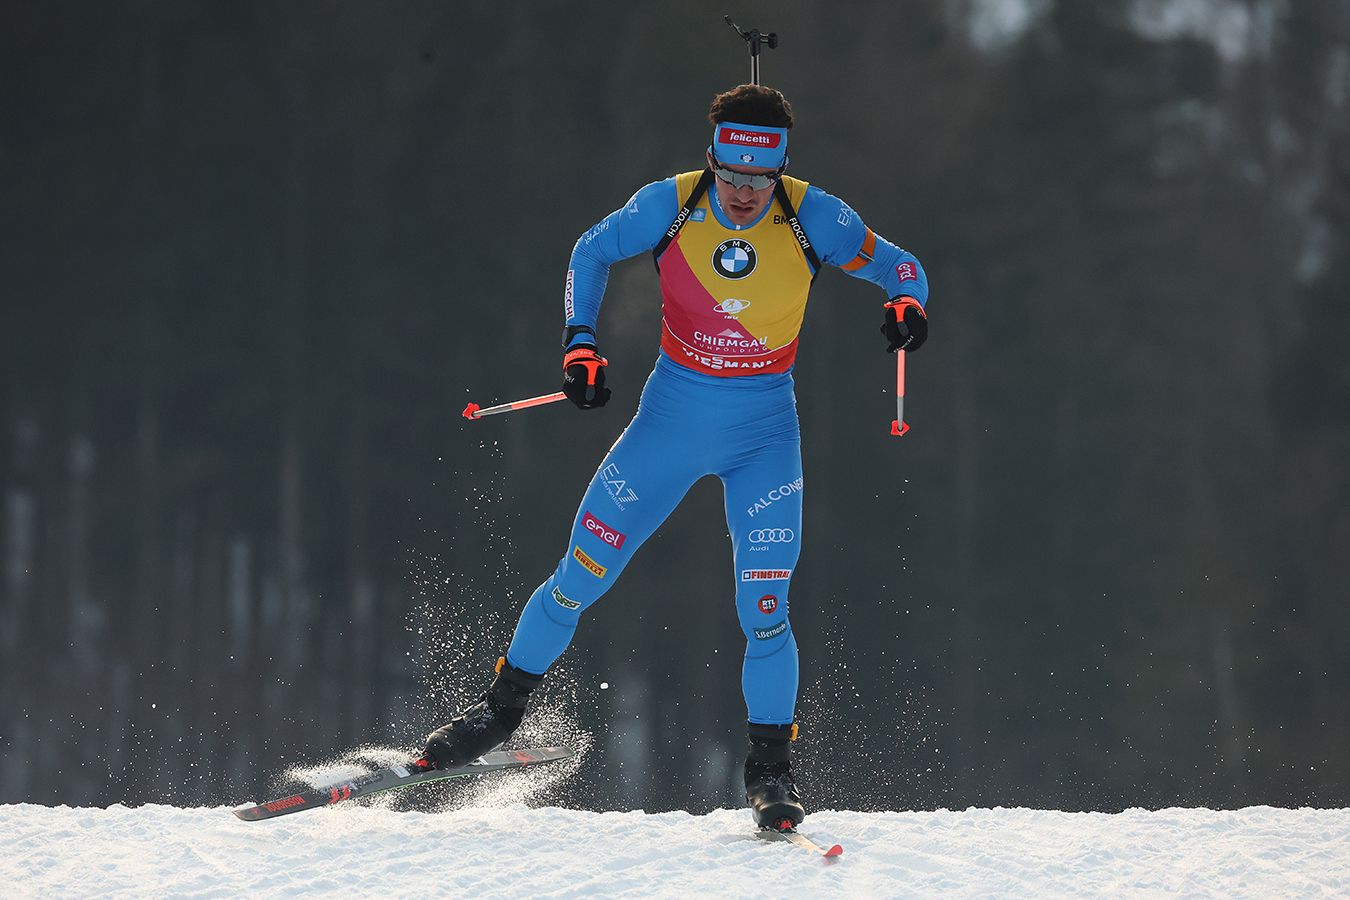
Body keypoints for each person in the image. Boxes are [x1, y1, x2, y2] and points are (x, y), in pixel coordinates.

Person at [417, 84, 929, 831]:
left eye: (761, 179)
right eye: (732, 176)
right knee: (579, 576)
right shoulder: (672, 204)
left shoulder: (815, 216)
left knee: (765, 610)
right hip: (668, 425)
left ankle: (770, 771)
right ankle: (496, 715)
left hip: (763, 437)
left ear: (781, 169)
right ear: (712, 160)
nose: (745, 194)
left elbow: (902, 266)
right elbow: (590, 251)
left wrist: (906, 305)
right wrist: (580, 344)